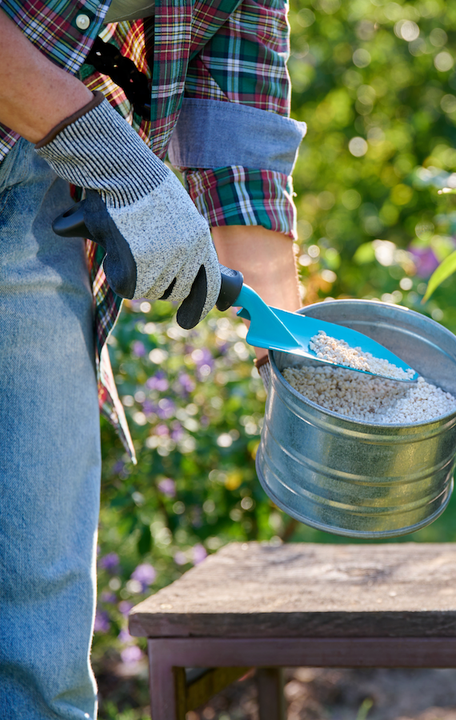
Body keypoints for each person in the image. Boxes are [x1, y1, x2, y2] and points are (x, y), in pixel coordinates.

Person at [0, 0, 305, 716]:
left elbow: (239, 133)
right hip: (65, 143)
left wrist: (296, 358)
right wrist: (119, 165)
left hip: (37, 186)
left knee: (40, 627)